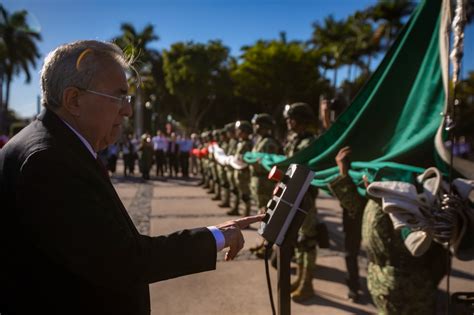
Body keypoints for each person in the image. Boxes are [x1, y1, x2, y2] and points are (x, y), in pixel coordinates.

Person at [0, 40, 263, 315]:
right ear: (74, 100)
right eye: (119, 97)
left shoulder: (52, 144)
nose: (126, 110)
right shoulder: (49, 160)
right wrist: (215, 237)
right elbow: (121, 260)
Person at [329, 148, 447, 314]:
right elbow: (355, 209)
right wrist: (344, 174)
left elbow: (415, 233)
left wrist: (383, 201)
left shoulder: (409, 196)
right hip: (382, 286)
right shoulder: (375, 194)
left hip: (408, 288)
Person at [283, 103, 319, 302]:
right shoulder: (294, 140)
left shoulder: (309, 142)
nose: (289, 121)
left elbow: (299, 164)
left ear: (302, 120)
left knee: (308, 240)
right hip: (292, 195)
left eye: (292, 118)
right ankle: (300, 277)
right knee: (299, 240)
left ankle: (308, 283)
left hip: (305, 198)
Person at [329, 147, 364, 301]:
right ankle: (353, 285)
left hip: (362, 206)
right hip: (353, 212)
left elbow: (352, 204)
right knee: (351, 251)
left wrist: (343, 172)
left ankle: (354, 286)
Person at [248, 113, 281, 257]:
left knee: (268, 216)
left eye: (256, 124)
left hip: (265, 183)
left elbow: (266, 165)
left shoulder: (268, 143)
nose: (254, 127)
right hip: (259, 184)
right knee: (263, 214)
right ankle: (263, 243)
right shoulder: (260, 140)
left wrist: (253, 162)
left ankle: (268, 247)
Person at [227, 120, 253, 216]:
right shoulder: (241, 143)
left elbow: (248, 159)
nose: (237, 132)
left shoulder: (248, 144)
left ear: (244, 131)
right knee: (238, 192)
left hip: (244, 173)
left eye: (239, 130)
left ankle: (246, 215)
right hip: (239, 172)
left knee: (245, 195)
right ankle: (237, 209)